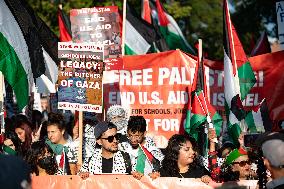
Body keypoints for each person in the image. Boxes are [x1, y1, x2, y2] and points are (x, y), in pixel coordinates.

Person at [119, 115, 164, 180]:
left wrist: (157, 174)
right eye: (130, 135)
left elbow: (162, 169)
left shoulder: (153, 151)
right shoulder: (121, 147)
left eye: (137, 136)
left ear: (144, 133)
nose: (133, 139)